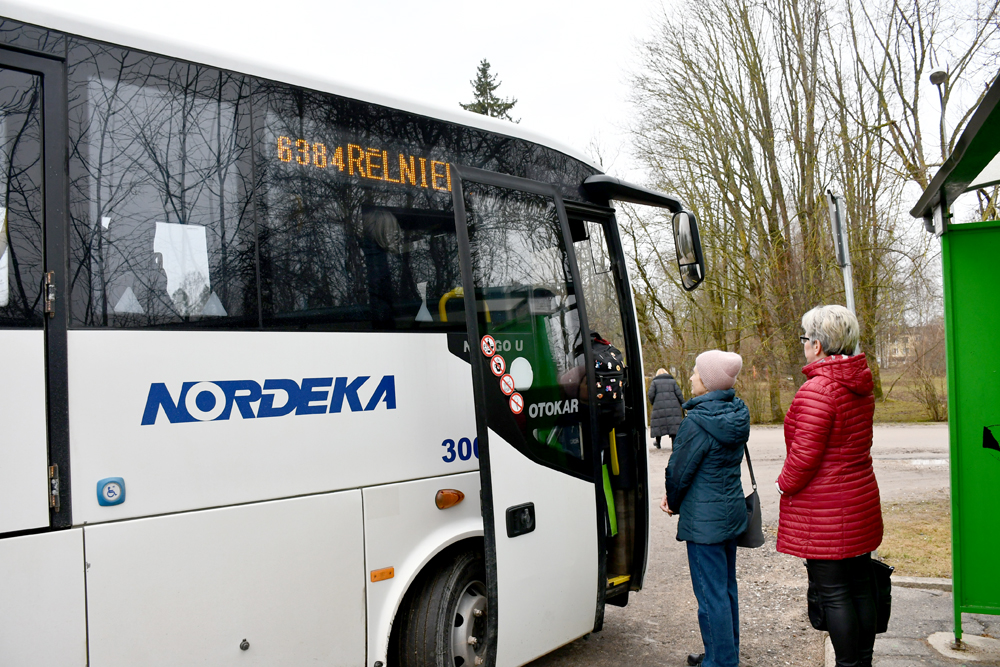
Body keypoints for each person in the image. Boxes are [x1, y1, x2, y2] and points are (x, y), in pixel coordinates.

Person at [776, 305, 882, 667]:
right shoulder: (859, 383)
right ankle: (862, 662)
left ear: (817, 345)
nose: (803, 345)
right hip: (859, 501)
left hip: (825, 510)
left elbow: (804, 458)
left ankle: (848, 665)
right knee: (861, 586)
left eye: (805, 338)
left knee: (835, 594)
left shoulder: (817, 390)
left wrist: (782, 486)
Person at [660, 350, 749, 667]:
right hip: (730, 516)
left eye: (697, 372)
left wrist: (672, 502)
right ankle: (723, 652)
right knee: (725, 589)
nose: (692, 377)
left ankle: (721, 661)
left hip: (705, 523)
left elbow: (678, 473)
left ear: (709, 383)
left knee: (711, 595)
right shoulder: (737, 412)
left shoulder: (697, 424)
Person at [648, 367, 685, 448]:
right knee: (673, 426)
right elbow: (679, 394)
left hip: (659, 407)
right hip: (673, 407)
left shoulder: (654, 382)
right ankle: (673, 445)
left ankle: (658, 443)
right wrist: (683, 404)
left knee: (659, 425)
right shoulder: (673, 381)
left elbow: (650, 394)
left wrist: (653, 403)